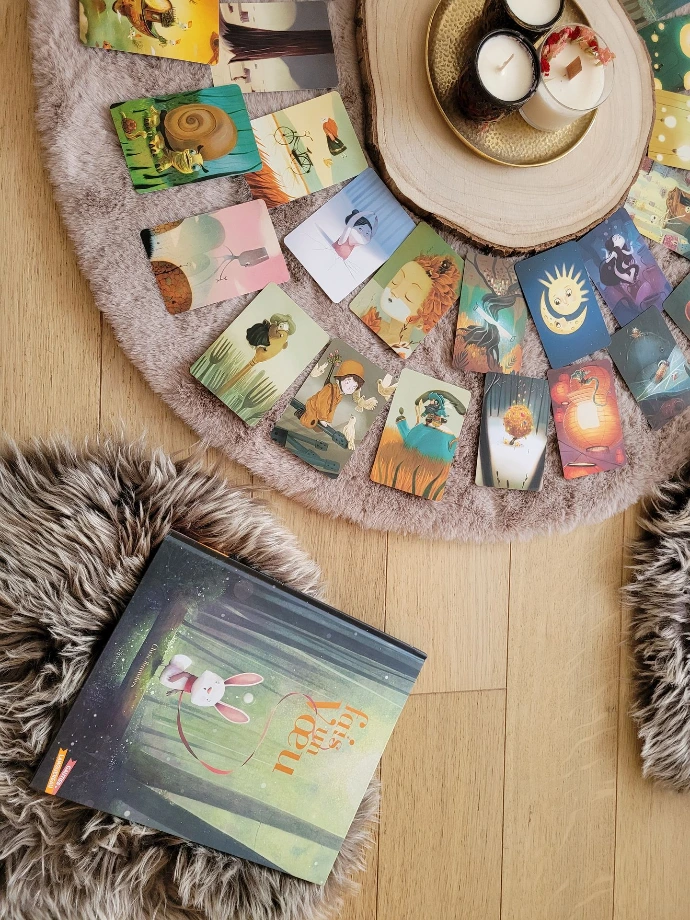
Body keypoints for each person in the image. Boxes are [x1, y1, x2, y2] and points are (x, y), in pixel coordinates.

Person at [298, 360, 366, 429]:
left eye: (354, 387)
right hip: (313, 408)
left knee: (320, 429)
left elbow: (332, 409)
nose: (350, 388)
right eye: (348, 382)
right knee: (309, 423)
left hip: (322, 414)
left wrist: (328, 420)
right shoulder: (329, 388)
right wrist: (322, 418)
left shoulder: (339, 395)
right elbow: (321, 403)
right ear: (338, 380)